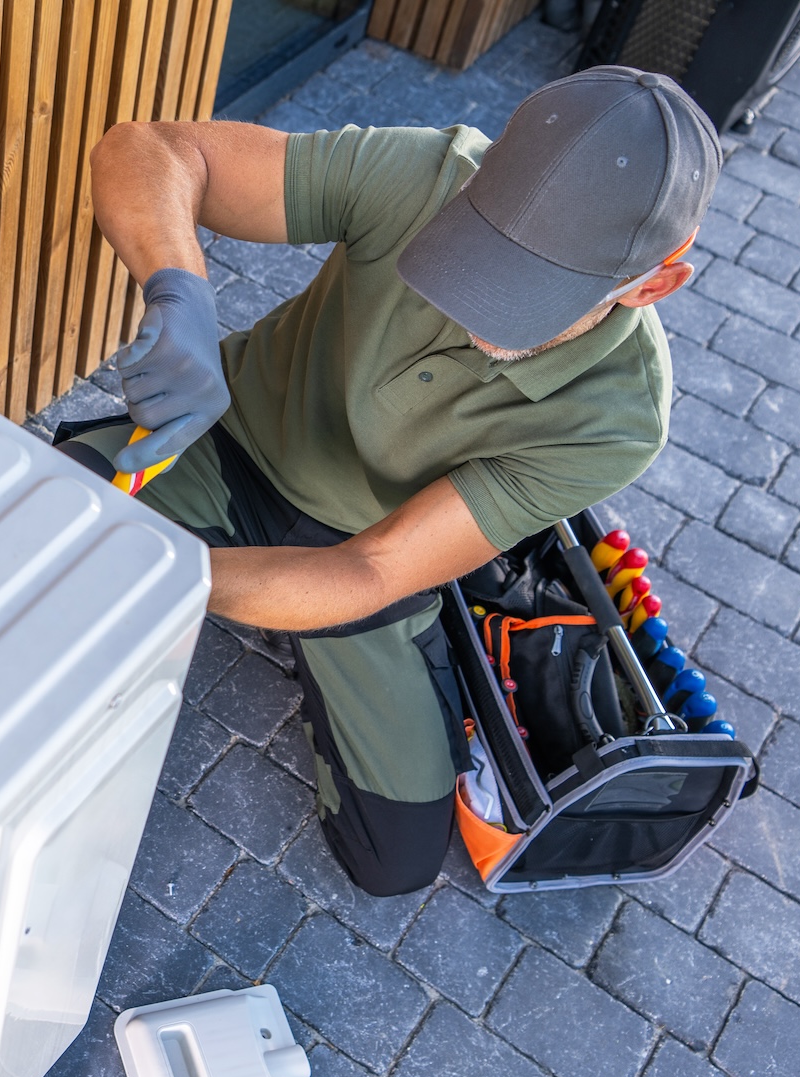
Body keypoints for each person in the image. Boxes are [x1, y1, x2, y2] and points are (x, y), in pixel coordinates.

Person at [69, 66, 719, 896]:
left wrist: (167, 582)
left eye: (537, 292)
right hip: (223, 443)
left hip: (370, 552)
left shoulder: (616, 420)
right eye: (486, 250)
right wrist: (179, 290)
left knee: (397, 858)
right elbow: (152, 150)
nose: (482, 306)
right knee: (18, 543)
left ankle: (313, 633)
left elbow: (370, 572)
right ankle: (246, 589)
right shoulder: (426, 173)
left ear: (655, 282)